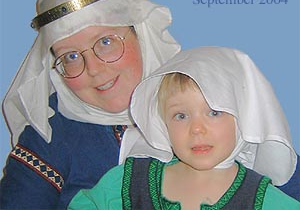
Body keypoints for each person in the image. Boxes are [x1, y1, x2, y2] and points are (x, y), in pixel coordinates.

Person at [0, 0, 180, 209]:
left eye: (106, 42)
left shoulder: (196, 106)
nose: (93, 69)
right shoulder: (51, 134)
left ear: (141, 34)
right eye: (71, 56)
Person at [69, 46, 299, 209]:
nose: (197, 129)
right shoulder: (128, 182)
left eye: (214, 112)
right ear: (162, 123)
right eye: (181, 115)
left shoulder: (262, 199)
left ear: (244, 116)